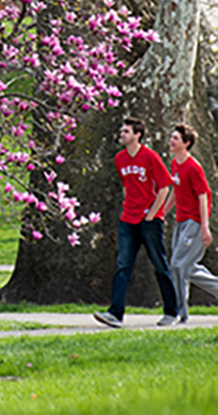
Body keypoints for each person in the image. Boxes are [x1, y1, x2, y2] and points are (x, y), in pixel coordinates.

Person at [93, 117, 179, 328]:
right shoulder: (119, 159)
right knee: (122, 266)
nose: (121, 134)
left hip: (149, 221)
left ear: (137, 135)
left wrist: (152, 213)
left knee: (159, 265)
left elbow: (164, 187)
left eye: (126, 131)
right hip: (127, 220)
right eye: (121, 131)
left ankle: (171, 311)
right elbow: (127, 186)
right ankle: (115, 314)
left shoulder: (150, 157)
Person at [165, 122, 218, 322]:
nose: (171, 141)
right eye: (171, 137)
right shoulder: (175, 164)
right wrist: (161, 213)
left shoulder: (194, 167)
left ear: (186, 143)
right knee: (187, 267)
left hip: (194, 223)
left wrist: (204, 227)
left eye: (175, 138)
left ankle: (180, 311)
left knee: (178, 264)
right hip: (180, 221)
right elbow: (175, 192)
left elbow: (204, 195)